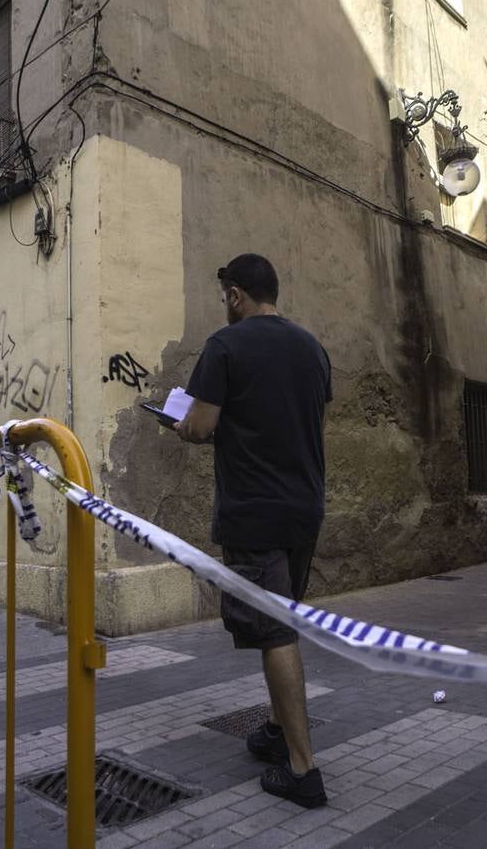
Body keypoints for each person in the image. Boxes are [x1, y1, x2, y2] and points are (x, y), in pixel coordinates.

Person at [175, 253, 332, 808]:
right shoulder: (313, 348)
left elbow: (201, 427)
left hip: (255, 512)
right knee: (283, 622)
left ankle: (302, 769)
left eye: (226, 296)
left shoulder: (225, 345)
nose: (225, 304)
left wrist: (182, 425)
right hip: (304, 508)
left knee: (275, 634)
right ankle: (275, 730)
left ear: (236, 295)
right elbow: (308, 420)